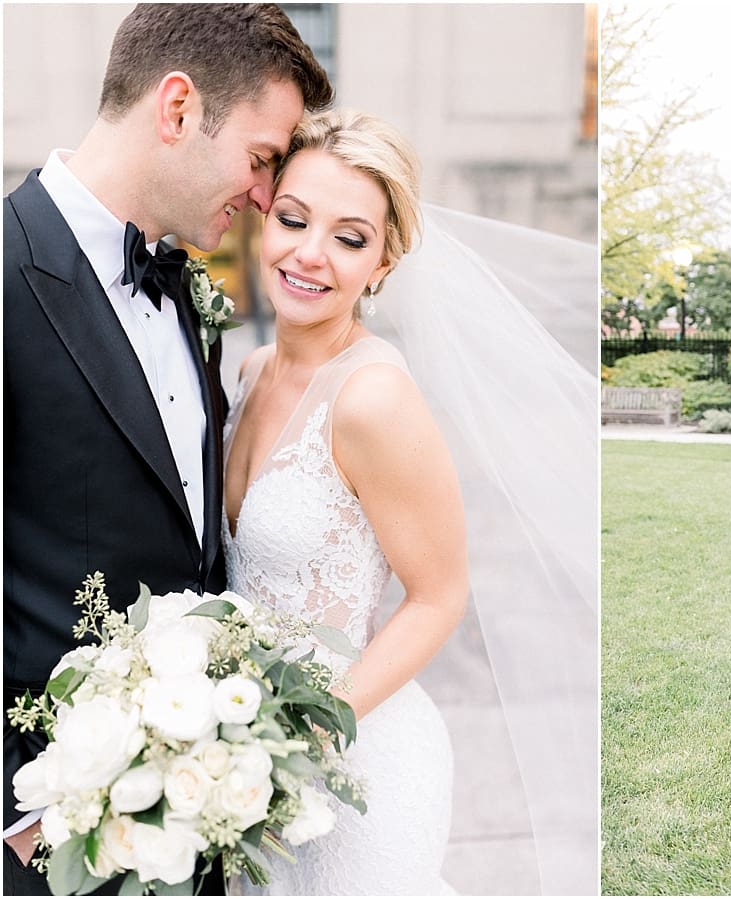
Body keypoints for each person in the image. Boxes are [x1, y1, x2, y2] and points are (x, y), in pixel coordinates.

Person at [223, 109, 597, 895]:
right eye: (294, 219)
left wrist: (301, 732)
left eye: (350, 238)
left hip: (356, 763)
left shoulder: (372, 398)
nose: (310, 254)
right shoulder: (250, 372)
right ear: (267, 216)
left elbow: (438, 595)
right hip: (245, 763)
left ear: (384, 262)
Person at [3, 5, 332, 894]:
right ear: (178, 108)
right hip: (55, 839)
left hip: (199, 821)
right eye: (262, 159)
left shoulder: (188, 286)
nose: (268, 198)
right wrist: (23, 816)